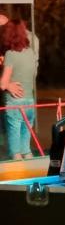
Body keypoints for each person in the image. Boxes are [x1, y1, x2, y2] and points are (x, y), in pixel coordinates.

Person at [1, 18, 37, 160]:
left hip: (15, 103)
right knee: (26, 149)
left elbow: (3, 84)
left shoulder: (10, 54)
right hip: (29, 101)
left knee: (15, 152)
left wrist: (8, 84)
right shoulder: (31, 53)